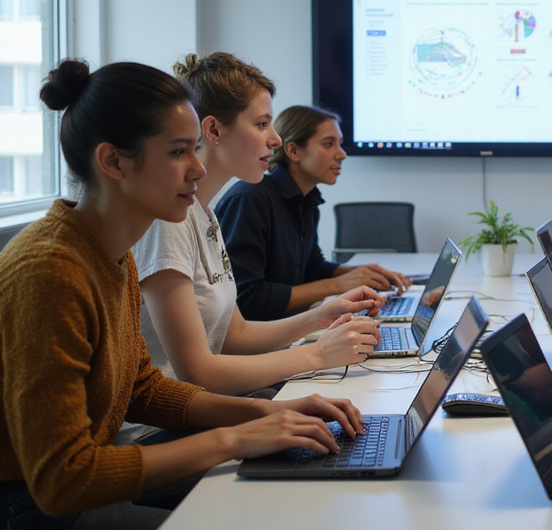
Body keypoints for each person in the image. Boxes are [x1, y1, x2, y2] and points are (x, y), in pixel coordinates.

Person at [0, 60, 369, 530]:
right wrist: (235, 437)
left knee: (292, 492)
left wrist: (262, 412)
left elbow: (142, 388)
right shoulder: (50, 270)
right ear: (113, 161)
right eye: (179, 153)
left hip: (90, 484)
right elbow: (63, 482)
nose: (198, 168)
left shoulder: (114, 254)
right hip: (32, 516)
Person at [130, 53, 381, 411]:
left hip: (211, 406)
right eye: (262, 124)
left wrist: (320, 317)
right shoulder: (167, 222)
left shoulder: (204, 215)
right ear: (214, 131)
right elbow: (198, 372)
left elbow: (236, 336)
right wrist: (317, 354)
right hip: (165, 426)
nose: (276, 139)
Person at [215, 105, 411, 322]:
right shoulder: (251, 199)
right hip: (259, 341)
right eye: (329, 144)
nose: (342, 154)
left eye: (339, 143)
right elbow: (247, 299)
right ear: (294, 151)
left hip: (286, 328)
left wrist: (361, 273)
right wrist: (338, 284)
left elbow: (311, 268)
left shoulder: (307, 200)